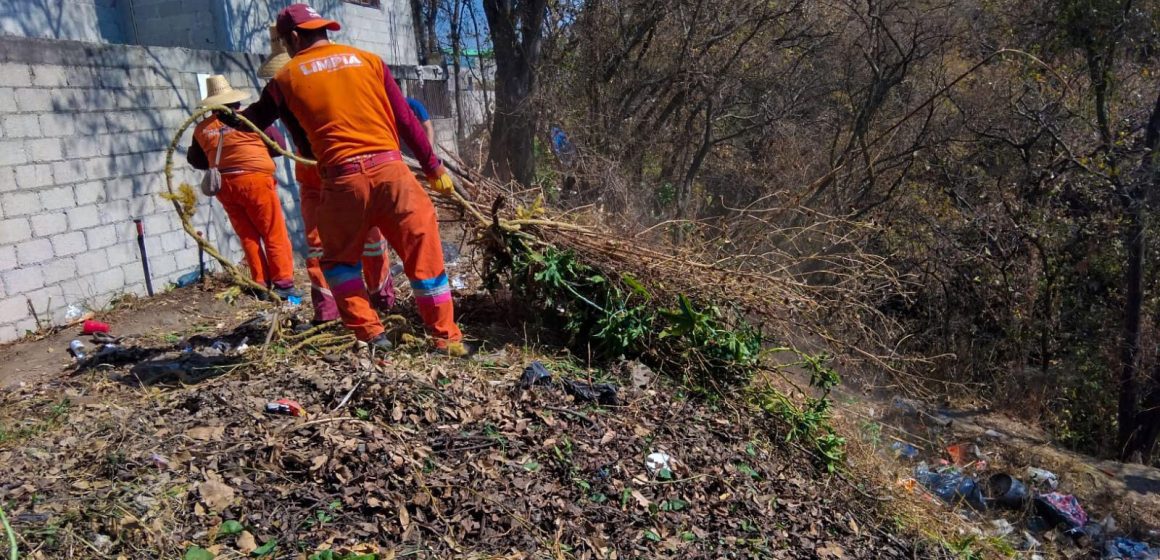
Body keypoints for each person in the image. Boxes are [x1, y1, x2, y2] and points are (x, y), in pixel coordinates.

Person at [231, 4, 466, 356]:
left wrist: (224, 117)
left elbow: (257, 123)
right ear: (323, 29)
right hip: (394, 175)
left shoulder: (284, 80)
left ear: (293, 38)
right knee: (425, 254)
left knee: (340, 262)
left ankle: (373, 335)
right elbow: (406, 120)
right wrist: (434, 169)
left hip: (342, 183)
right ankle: (446, 339)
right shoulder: (370, 61)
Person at [257, 25, 395, 324]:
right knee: (364, 234)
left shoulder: (289, 86)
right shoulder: (312, 84)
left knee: (329, 243)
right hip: (335, 170)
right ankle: (376, 300)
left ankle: (337, 309)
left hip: (329, 171)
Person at [187, 75, 301, 300]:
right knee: (273, 232)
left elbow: (196, 160)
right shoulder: (251, 119)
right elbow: (279, 146)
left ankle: (260, 283)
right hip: (256, 182)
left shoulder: (201, 128)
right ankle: (284, 284)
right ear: (235, 102)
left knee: (248, 235)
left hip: (225, 187)